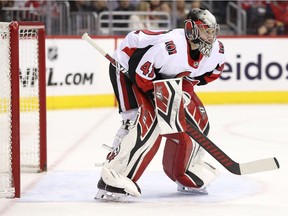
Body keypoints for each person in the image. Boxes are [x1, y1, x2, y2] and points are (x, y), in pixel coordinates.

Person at [95, 8, 226, 201]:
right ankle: (114, 177)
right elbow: (139, 71)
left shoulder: (217, 51)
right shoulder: (170, 46)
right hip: (127, 66)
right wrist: (160, 98)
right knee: (141, 122)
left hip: (161, 76)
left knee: (197, 119)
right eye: (205, 30)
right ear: (191, 29)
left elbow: (208, 75)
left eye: (212, 30)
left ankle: (186, 170)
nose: (211, 36)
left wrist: (182, 92)